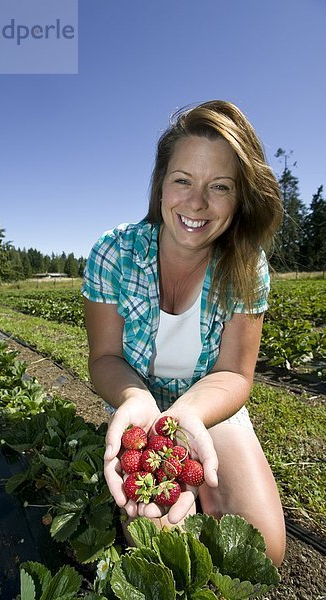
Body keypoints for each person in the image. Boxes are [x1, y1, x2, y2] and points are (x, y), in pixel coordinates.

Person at [81, 100, 286, 566]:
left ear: (240, 198)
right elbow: (105, 359)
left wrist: (187, 415)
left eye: (219, 187)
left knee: (262, 551)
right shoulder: (114, 252)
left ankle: (201, 490)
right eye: (182, 181)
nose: (196, 203)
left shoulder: (246, 266)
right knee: (159, 539)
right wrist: (137, 403)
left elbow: (234, 373)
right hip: (142, 406)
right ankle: (187, 495)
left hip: (207, 406)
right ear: (160, 186)